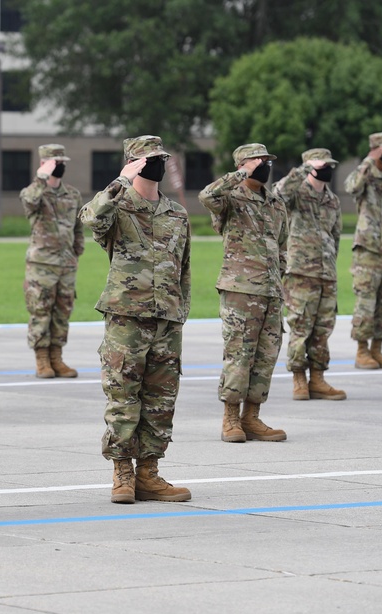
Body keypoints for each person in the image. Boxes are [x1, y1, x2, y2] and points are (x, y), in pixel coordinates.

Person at [79, 135, 191, 504]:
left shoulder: (176, 213)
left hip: (167, 318)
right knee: (123, 396)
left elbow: (183, 268)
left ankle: (149, 473)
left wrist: (180, 313)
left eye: (161, 158)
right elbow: (90, 219)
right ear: (133, 164)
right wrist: (119, 182)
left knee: (161, 399)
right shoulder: (118, 206)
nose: (157, 164)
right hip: (127, 316)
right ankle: (122, 474)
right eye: (149, 159)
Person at [200, 143, 288, 443]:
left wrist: (280, 278)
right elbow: (206, 196)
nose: (265, 164)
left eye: (267, 160)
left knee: (266, 356)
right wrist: (238, 175)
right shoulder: (230, 198)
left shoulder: (276, 202)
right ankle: (230, 418)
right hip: (240, 289)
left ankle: (252, 417)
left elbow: (283, 246)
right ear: (243, 164)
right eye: (259, 160)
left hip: (271, 290)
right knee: (239, 354)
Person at [273, 148, 346, 401]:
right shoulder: (296, 193)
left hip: (326, 273)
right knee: (300, 325)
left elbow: (335, 235)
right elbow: (278, 193)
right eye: (323, 165)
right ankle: (298, 378)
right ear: (310, 167)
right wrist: (303, 170)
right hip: (301, 272)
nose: (328, 170)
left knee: (323, 328)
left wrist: (330, 264)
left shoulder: (333, 200)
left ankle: (318, 378)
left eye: (329, 166)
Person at [20, 144, 84, 379]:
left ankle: (57, 357)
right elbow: (29, 203)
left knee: (63, 311)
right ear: (44, 165)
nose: (60, 166)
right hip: (42, 264)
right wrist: (41, 178)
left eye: (62, 163)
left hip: (66, 263)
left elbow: (78, 227)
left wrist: (77, 251)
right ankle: (42, 359)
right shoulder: (34, 192)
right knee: (41, 309)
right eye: (55, 163)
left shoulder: (73, 194)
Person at [344, 132, 382, 370]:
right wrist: (368, 161)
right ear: (376, 150)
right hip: (368, 249)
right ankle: (362, 350)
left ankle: (377, 349)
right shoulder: (365, 175)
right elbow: (351, 187)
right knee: (366, 301)